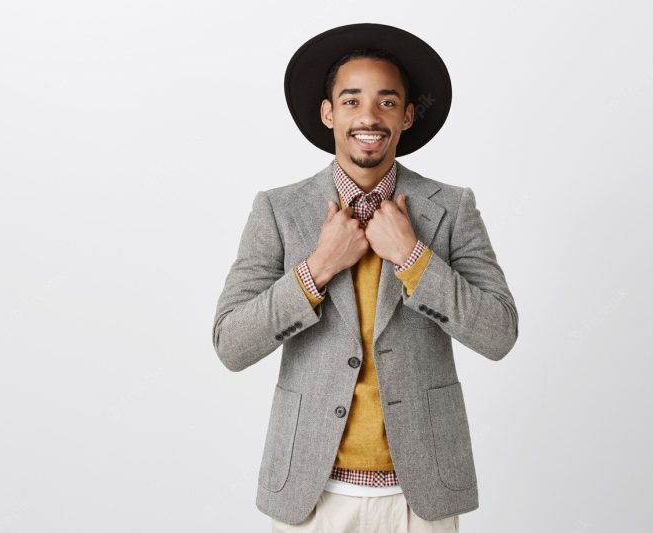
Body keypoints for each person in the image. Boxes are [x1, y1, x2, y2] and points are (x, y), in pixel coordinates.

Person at [212, 22, 519, 532]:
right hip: (311, 495)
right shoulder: (279, 210)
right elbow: (230, 344)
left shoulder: (451, 208)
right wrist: (317, 269)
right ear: (328, 112)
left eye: (386, 101)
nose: (369, 117)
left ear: (407, 115)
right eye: (351, 101)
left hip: (421, 497)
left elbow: (499, 333)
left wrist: (414, 257)